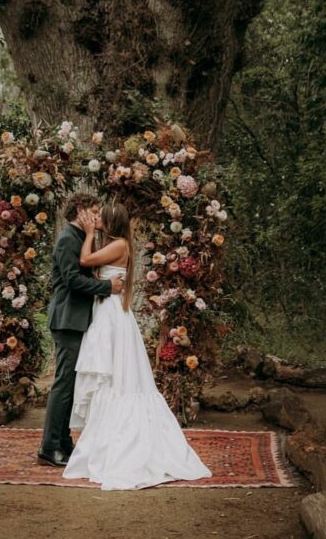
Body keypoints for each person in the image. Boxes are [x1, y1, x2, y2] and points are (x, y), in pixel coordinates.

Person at [62, 200, 212, 490]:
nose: (98, 219)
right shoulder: (117, 244)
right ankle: (101, 442)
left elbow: (84, 261)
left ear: (111, 221)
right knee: (110, 376)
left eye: (101, 217)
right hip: (105, 312)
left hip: (112, 316)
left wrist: (90, 233)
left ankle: (125, 443)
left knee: (118, 377)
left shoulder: (119, 245)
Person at [38, 192, 124, 467]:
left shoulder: (80, 238)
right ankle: (49, 448)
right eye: (94, 211)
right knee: (64, 383)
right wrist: (106, 288)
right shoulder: (67, 239)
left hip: (78, 320)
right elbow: (73, 280)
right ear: (80, 212)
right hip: (66, 319)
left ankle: (64, 442)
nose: (98, 216)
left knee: (71, 383)